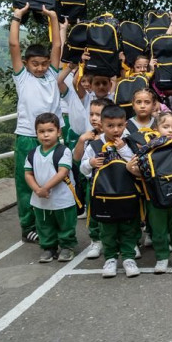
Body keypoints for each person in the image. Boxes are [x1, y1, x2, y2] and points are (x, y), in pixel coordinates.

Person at [9, 3, 63, 243]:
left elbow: (58, 45)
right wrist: (17, 17)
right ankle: (27, 226)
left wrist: (52, 17)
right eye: (35, 64)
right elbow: (14, 45)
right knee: (26, 182)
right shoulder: (22, 78)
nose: (40, 67)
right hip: (27, 137)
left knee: (54, 179)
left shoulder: (52, 74)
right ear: (27, 63)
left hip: (54, 137)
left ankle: (53, 222)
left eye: (43, 63)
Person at [129, 111, 172, 273]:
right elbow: (142, 173)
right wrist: (130, 168)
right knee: (159, 229)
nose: (171, 131)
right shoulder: (148, 148)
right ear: (156, 129)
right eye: (165, 127)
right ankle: (162, 257)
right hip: (155, 195)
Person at [79, 104, 139, 278]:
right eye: (110, 126)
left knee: (129, 228)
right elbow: (83, 170)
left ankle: (129, 258)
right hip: (103, 197)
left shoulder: (129, 143)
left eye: (120, 125)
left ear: (125, 125)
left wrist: (123, 149)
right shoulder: (94, 145)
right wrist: (89, 163)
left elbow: (137, 164)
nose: (115, 130)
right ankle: (110, 258)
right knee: (107, 230)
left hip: (127, 195)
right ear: (102, 126)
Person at [24, 113, 78, 263]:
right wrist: (37, 189)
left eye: (50, 130)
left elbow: (63, 172)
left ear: (59, 132)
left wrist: (45, 188)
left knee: (66, 223)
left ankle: (67, 246)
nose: (45, 135)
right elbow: (28, 174)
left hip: (62, 198)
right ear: (36, 133)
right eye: (41, 131)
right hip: (40, 199)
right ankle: (49, 247)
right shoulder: (32, 154)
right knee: (44, 224)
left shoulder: (63, 151)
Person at [72, 97, 115, 259]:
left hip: (115, 181)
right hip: (95, 182)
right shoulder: (89, 136)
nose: (94, 118)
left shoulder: (116, 134)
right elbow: (77, 158)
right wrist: (82, 139)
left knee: (120, 210)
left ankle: (126, 241)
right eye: (91, 114)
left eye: (98, 114)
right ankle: (96, 240)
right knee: (94, 211)